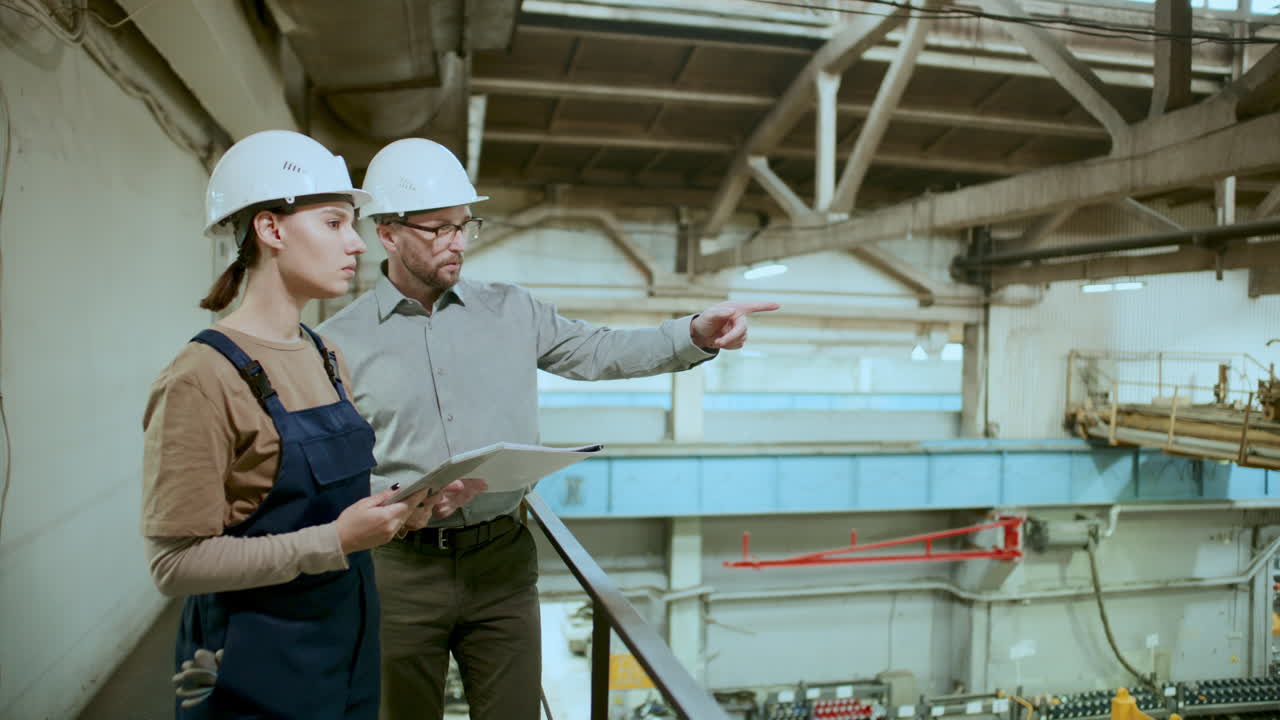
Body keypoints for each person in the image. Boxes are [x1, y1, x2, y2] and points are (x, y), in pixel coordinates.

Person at [319, 137, 779, 720]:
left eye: (465, 225)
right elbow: (327, 463)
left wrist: (693, 333)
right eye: (438, 229)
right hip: (399, 571)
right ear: (388, 235)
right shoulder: (339, 340)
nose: (457, 242)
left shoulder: (513, 310)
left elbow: (600, 351)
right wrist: (382, 505)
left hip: (503, 563)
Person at [140, 130, 438, 719]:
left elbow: (325, 498)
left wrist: (402, 508)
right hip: (254, 668)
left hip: (346, 645)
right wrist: (336, 541)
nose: (356, 244)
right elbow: (174, 565)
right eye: (334, 224)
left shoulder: (326, 357)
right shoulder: (201, 377)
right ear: (271, 229)